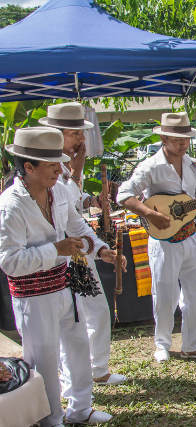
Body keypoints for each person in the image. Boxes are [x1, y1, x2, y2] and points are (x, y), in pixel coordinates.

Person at [0, 127, 118, 425]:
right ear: (28, 167)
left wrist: (100, 249)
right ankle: (51, 418)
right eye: (52, 165)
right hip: (33, 295)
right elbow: (9, 262)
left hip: (66, 285)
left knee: (78, 347)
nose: (59, 170)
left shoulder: (59, 191)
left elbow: (76, 224)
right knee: (44, 360)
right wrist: (56, 249)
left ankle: (81, 407)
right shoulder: (10, 206)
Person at [117, 112, 196, 363]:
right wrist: (149, 214)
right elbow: (124, 194)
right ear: (163, 137)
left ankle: (192, 345)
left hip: (190, 237)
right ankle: (162, 344)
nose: (182, 142)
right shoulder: (151, 167)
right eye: (176, 138)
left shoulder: (194, 165)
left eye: (185, 137)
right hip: (163, 242)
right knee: (164, 294)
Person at [39, 102, 128, 387]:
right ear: (56, 134)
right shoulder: (48, 171)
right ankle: (70, 381)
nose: (80, 140)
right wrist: (77, 172)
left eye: (80, 133)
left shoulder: (65, 169)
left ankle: (98, 369)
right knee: (71, 322)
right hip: (57, 259)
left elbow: (74, 216)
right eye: (74, 133)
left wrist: (100, 249)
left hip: (78, 253)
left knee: (96, 311)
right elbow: (65, 215)